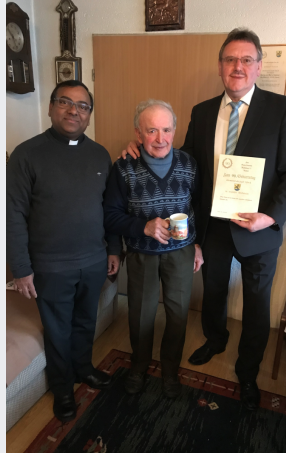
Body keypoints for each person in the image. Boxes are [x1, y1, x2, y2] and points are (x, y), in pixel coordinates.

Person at [121, 28, 286, 410]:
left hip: (258, 229)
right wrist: (142, 149)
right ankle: (215, 339)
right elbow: (185, 161)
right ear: (220, 67)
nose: (236, 67)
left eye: (245, 60)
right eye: (229, 60)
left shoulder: (282, 109)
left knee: (257, 304)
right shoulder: (203, 111)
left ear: (258, 67)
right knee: (214, 293)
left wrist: (270, 216)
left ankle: (247, 370)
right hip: (213, 226)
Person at [7, 80, 121, 422]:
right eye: (64, 102)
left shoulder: (100, 154)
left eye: (83, 105)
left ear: (89, 115)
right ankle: (62, 389)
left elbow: (110, 208)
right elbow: (12, 214)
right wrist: (21, 268)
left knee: (86, 320)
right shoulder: (27, 154)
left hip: (94, 260)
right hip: (50, 266)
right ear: (51, 107)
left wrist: (113, 249)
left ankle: (83, 368)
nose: (74, 110)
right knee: (58, 330)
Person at [104, 100, 203, 398]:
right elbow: (110, 215)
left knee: (177, 313)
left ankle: (170, 368)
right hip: (141, 253)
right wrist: (143, 227)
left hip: (182, 252)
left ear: (174, 130)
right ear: (138, 133)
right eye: (151, 131)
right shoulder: (123, 168)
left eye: (166, 129)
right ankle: (139, 364)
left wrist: (198, 244)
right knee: (141, 314)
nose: (160, 138)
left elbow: (199, 206)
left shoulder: (189, 164)